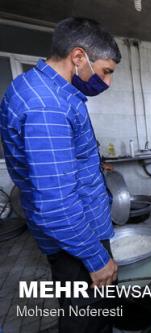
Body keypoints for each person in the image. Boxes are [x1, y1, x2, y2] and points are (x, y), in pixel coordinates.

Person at [0, 17, 121, 332]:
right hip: (79, 242)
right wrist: (96, 259)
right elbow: (56, 206)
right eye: (106, 71)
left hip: (75, 236)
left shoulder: (39, 88)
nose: (107, 83)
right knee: (87, 320)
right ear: (79, 57)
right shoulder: (47, 107)